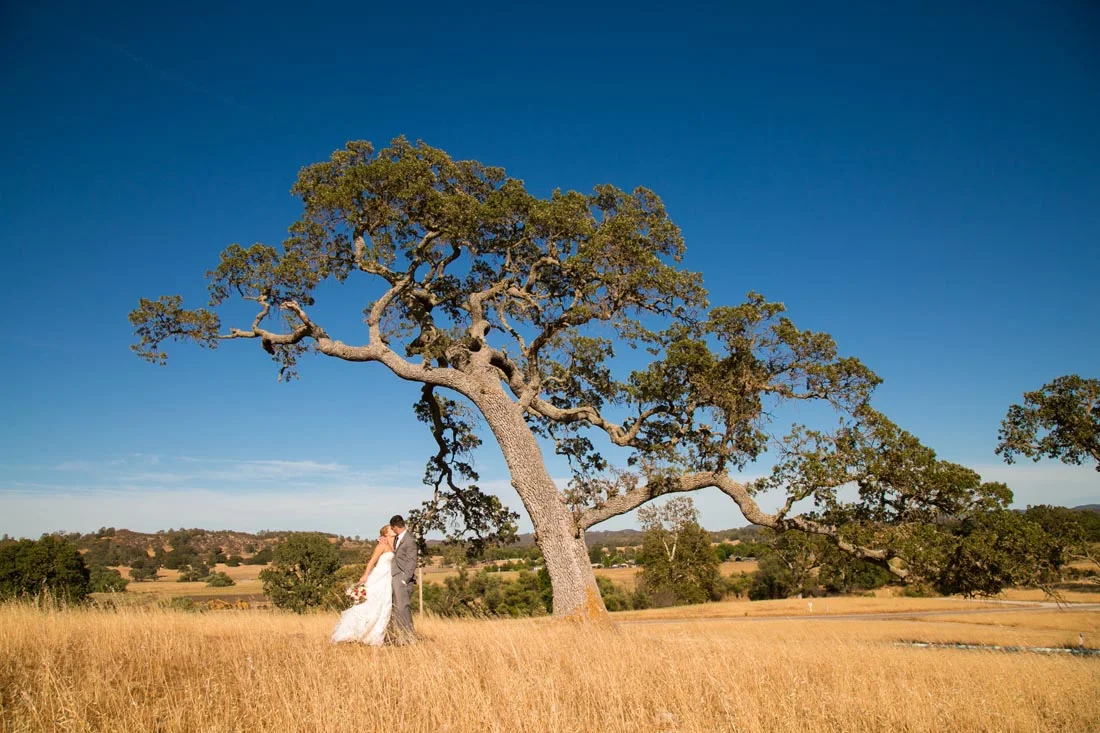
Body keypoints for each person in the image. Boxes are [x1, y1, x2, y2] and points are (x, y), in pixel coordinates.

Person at [330, 525, 395, 646]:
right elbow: (372, 561)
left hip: (387, 579)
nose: (393, 529)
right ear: (385, 533)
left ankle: (374, 637)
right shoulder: (382, 545)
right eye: (391, 528)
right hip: (379, 577)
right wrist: (365, 575)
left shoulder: (392, 544)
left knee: (384, 606)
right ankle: (352, 632)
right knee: (371, 604)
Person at [389, 514, 417, 644]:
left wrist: (405, 579)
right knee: (397, 609)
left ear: (395, 527)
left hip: (402, 578)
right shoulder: (397, 538)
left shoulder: (409, 540)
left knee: (403, 608)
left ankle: (409, 637)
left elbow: (412, 561)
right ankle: (400, 637)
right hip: (395, 577)